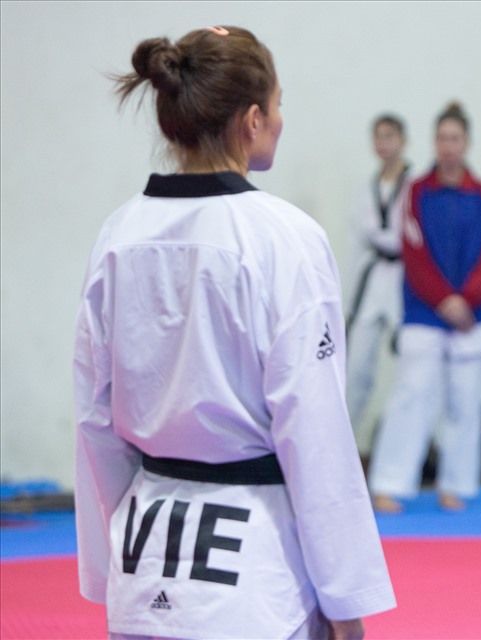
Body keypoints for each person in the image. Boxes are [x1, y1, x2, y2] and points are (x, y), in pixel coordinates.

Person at [73, 26, 395, 640]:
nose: (280, 119)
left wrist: (112, 556)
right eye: (277, 105)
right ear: (252, 120)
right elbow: (313, 426)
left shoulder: (117, 236)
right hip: (255, 578)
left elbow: (94, 417)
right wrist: (345, 600)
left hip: (143, 558)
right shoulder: (285, 237)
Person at [367, 102, 481, 513]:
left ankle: (455, 485)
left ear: (467, 143)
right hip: (424, 312)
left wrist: (467, 300)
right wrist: (444, 300)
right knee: (413, 396)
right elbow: (414, 252)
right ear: (434, 143)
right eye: (442, 138)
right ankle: (390, 483)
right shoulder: (417, 192)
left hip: (472, 316)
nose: (448, 146)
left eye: (455, 138)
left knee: (464, 401)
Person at [344, 114, 414, 459]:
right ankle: (344, 449)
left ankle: (408, 454)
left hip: (407, 280)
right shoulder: (365, 190)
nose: (383, 143)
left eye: (390, 136)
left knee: (413, 371)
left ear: (403, 140)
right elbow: (357, 245)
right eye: (378, 137)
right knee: (356, 370)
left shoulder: (417, 186)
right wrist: (348, 299)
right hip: (372, 282)